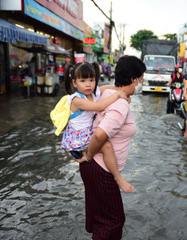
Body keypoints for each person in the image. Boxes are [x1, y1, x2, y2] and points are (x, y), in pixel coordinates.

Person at [74, 55, 146, 239]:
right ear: (133, 79)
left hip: (93, 167)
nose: (142, 82)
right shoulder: (120, 105)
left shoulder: (107, 95)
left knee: (102, 220)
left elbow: (105, 89)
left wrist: (120, 93)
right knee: (113, 222)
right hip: (100, 169)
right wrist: (89, 155)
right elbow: (99, 134)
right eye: (141, 78)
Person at [59, 61, 134, 194]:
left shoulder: (93, 94)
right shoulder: (76, 100)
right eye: (83, 80)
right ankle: (118, 178)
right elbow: (100, 107)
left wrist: (123, 93)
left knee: (104, 141)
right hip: (78, 138)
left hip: (87, 134)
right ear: (74, 83)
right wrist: (117, 95)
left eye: (91, 80)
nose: (88, 84)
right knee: (106, 146)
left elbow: (106, 87)